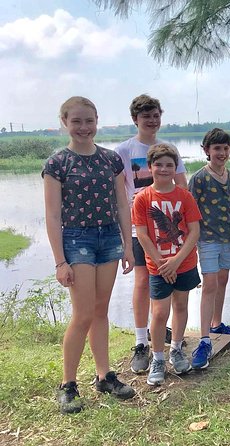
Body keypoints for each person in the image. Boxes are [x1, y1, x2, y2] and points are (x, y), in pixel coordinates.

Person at [43, 96, 136, 414]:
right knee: (82, 315)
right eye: (76, 121)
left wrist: (127, 244)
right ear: (65, 122)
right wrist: (60, 261)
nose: (84, 127)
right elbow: (53, 216)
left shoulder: (111, 160)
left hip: (109, 237)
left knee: (100, 311)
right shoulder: (57, 163)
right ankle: (68, 384)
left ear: (97, 121)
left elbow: (123, 204)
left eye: (89, 121)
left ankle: (104, 376)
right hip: (76, 240)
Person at [114, 94, 188, 374]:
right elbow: (119, 193)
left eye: (156, 115)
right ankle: (141, 342)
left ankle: (167, 337)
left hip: (169, 230)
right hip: (139, 227)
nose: (152, 120)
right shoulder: (124, 150)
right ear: (136, 120)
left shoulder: (168, 149)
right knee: (143, 282)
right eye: (146, 116)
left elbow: (182, 186)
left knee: (172, 284)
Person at [132, 143, 202, 385]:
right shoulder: (143, 198)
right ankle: (158, 358)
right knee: (160, 313)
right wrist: (162, 263)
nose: (164, 169)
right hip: (158, 266)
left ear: (176, 168)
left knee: (181, 306)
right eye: (159, 164)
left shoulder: (185, 196)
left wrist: (177, 260)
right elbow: (141, 234)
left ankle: (176, 349)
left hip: (184, 262)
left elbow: (194, 231)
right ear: (150, 167)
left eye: (169, 165)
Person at [188, 129, 230, 370]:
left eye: (225, 148)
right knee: (209, 283)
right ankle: (204, 340)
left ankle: (217, 323)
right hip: (207, 239)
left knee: (223, 279)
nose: (221, 153)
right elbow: (190, 211)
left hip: (229, 236)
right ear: (206, 151)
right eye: (216, 148)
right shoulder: (199, 178)